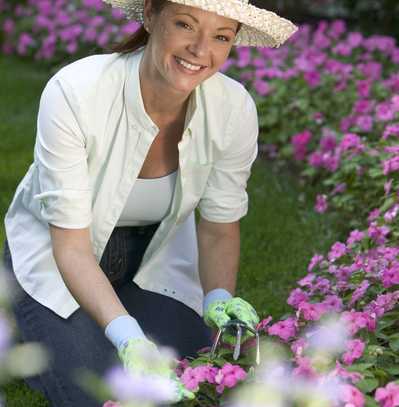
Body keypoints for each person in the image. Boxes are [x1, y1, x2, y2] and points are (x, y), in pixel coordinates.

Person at [2, 0, 297, 405]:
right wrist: (128, 338)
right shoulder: (76, 92)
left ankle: (73, 332)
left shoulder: (234, 108)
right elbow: (70, 246)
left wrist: (217, 300)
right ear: (151, 15)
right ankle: (27, 327)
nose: (199, 49)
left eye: (221, 37)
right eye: (185, 24)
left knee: (194, 380)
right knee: (100, 393)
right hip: (58, 257)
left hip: (152, 261)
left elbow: (218, 226)